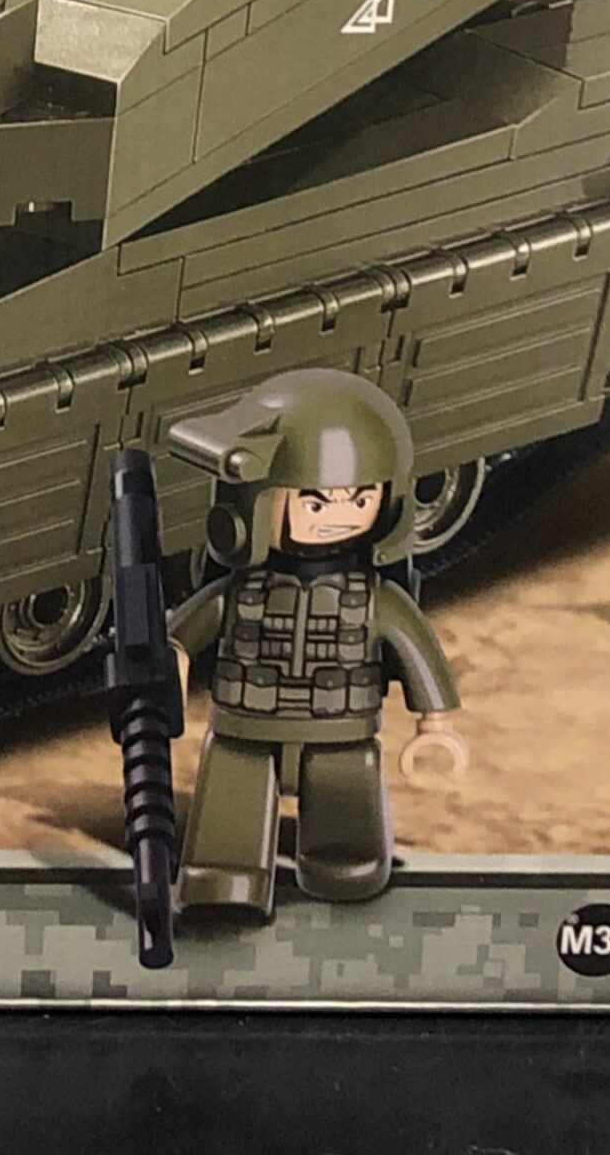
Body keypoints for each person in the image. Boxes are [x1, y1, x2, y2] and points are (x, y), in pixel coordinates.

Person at [162, 369, 467, 918]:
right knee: (231, 805)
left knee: (346, 817)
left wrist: (435, 725)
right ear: (255, 502)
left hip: (341, 732)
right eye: (316, 503)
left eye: (359, 499)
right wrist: (170, 667)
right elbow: (180, 637)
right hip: (243, 731)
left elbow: (415, 648)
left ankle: (343, 857)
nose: (339, 516)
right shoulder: (238, 593)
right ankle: (227, 873)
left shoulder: (374, 599)